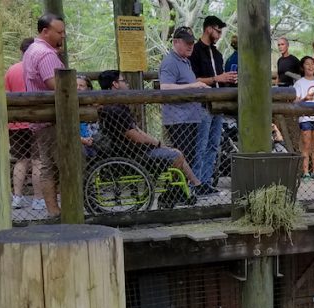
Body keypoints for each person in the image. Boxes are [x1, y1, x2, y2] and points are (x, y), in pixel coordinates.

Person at [96, 70, 210, 200]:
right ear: (115, 84)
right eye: (123, 81)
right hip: (132, 156)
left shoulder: (114, 107)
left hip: (131, 151)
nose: (127, 84)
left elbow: (137, 130)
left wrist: (158, 144)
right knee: (176, 155)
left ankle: (195, 184)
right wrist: (158, 144)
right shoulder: (115, 110)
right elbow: (135, 136)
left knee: (174, 151)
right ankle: (177, 191)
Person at [22, 13, 66, 216]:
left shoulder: (31, 50)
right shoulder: (46, 55)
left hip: (41, 119)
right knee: (65, 164)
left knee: (49, 166)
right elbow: (57, 86)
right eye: (59, 32)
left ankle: (53, 210)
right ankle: (65, 209)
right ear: (45, 31)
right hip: (53, 119)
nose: (62, 36)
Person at [190, 16, 235, 189]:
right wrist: (217, 78)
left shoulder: (217, 54)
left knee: (213, 145)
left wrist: (228, 80)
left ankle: (207, 182)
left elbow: (220, 79)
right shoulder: (194, 51)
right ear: (208, 29)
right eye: (217, 30)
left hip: (218, 105)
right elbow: (194, 80)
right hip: (202, 105)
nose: (219, 34)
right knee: (200, 146)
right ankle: (196, 183)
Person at [159, 27, 208, 177]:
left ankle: (182, 192)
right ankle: (171, 194)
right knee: (179, 157)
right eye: (187, 43)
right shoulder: (170, 62)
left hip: (190, 118)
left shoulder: (185, 61)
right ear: (175, 42)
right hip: (178, 120)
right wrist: (193, 86)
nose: (190, 46)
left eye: (192, 42)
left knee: (188, 157)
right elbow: (165, 87)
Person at [6, 37, 36, 210]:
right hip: (35, 122)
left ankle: (17, 196)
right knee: (39, 160)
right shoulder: (34, 68)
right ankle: (40, 199)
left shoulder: (11, 70)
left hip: (16, 124)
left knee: (21, 159)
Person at [294, 56, 314, 179]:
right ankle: (306, 172)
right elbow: (295, 102)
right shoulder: (299, 83)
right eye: (307, 64)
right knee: (306, 144)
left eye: (312, 63)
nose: (310, 66)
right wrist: (305, 99)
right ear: (302, 67)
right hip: (305, 117)